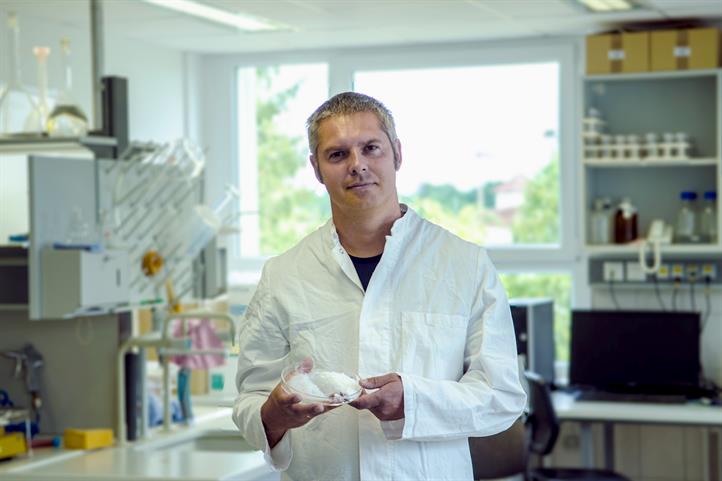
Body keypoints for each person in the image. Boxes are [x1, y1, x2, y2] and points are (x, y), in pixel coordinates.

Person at [233, 92, 526, 481]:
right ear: (317, 169)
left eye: (371, 148)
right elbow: (251, 398)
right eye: (337, 155)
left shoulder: (465, 265)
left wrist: (415, 401)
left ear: (398, 154)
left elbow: (502, 397)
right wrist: (271, 416)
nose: (358, 165)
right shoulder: (284, 275)